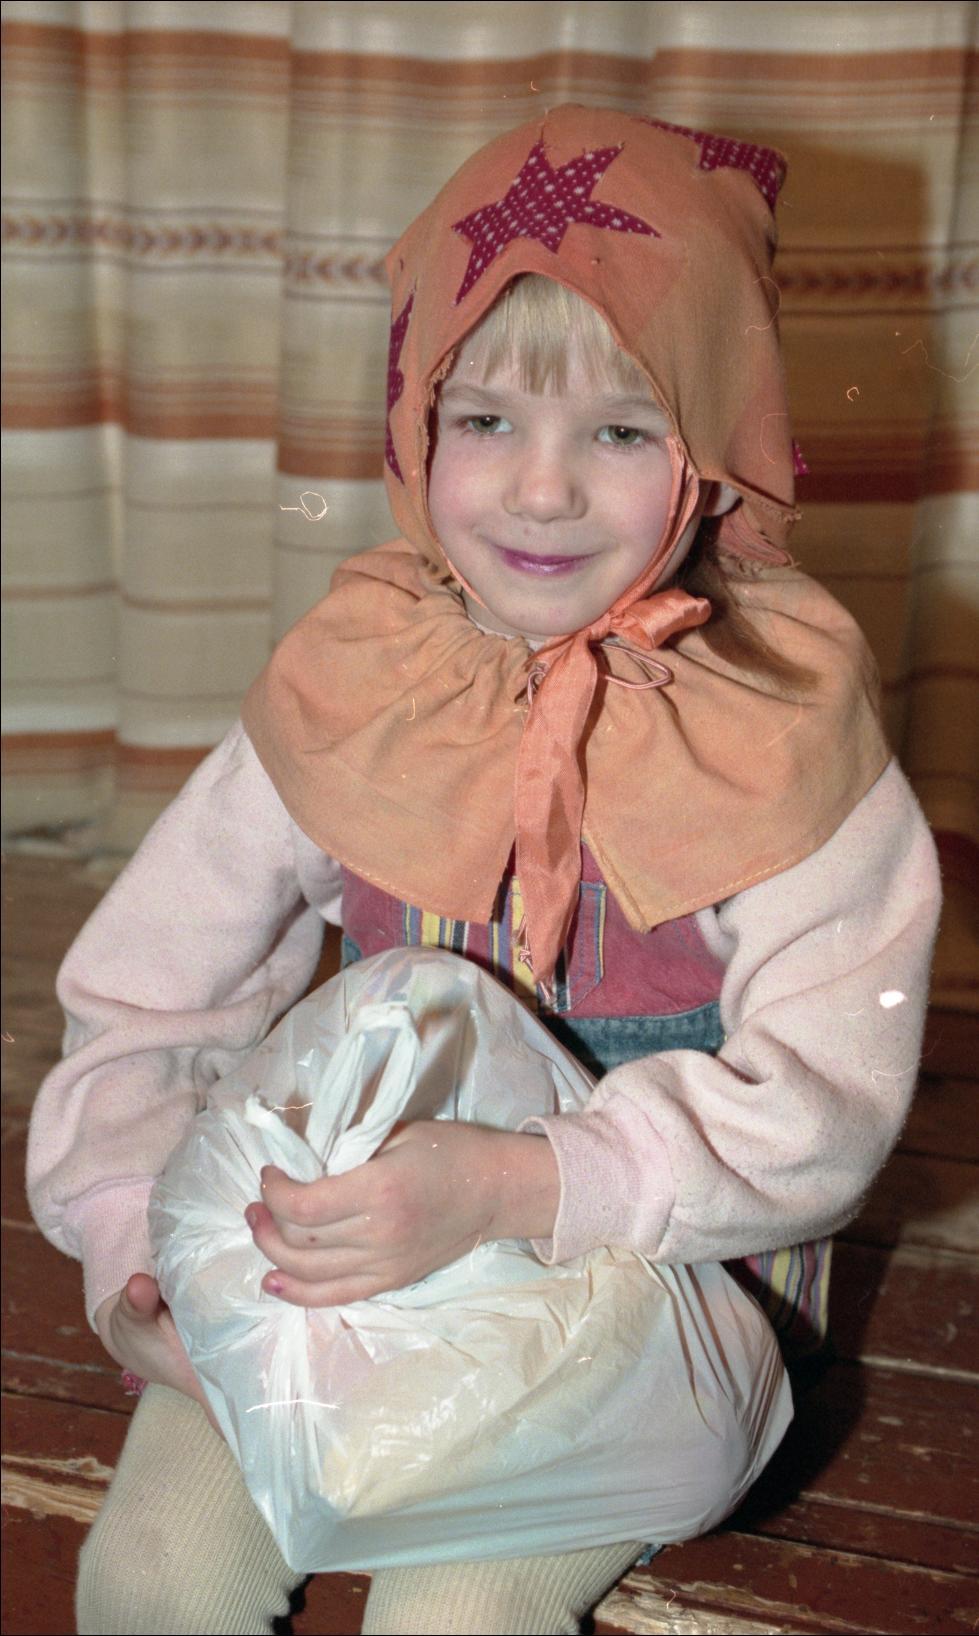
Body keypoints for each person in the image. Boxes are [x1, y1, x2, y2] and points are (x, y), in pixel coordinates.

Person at [27, 106, 941, 1636]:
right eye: (487, 420)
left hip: (657, 1297)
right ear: (414, 422)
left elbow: (825, 1104)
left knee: (451, 1619)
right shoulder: (362, 674)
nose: (541, 491)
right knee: (152, 1577)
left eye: (624, 430)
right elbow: (147, 994)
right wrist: (141, 1248)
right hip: (360, 1270)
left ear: (716, 450)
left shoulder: (781, 723)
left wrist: (520, 1186)